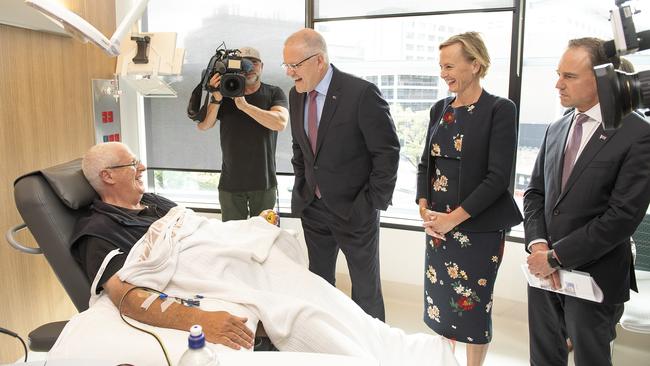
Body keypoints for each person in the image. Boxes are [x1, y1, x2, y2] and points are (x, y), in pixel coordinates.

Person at [69, 142, 459, 366]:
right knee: (299, 313)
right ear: (107, 176)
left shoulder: (151, 201)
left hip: (232, 258)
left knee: (317, 292)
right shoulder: (99, 230)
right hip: (211, 276)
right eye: (132, 164)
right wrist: (201, 319)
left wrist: (249, 229)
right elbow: (126, 294)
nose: (143, 167)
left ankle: (395, 349)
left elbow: (196, 229)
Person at [524, 37, 650, 366]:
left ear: (603, 79)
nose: (557, 84)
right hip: (543, 274)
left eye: (569, 76)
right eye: (558, 73)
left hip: (595, 276)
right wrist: (539, 246)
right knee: (543, 356)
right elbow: (535, 193)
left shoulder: (638, 134)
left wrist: (557, 256)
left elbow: (622, 217)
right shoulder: (557, 127)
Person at [415, 32, 522, 366]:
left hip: (477, 230)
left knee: (473, 307)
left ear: (475, 64)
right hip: (438, 227)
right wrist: (423, 207)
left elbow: (497, 179)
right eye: (441, 66)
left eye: (450, 65)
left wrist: (452, 219)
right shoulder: (439, 109)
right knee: (441, 303)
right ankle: (445, 361)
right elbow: (424, 164)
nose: (443, 73)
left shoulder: (499, 110)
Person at [282, 28, 401, 321]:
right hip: (314, 208)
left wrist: (370, 203)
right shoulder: (295, 95)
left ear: (319, 60)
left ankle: (372, 351)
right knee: (319, 284)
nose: (289, 72)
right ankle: (329, 342)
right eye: (286, 65)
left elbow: (387, 153)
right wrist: (303, 186)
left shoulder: (361, 94)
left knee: (365, 290)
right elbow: (301, 149)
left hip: (355, 210)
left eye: (294, 65)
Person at [197, 46, 289, 222]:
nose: (250, 68)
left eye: (254, 63)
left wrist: (244, 106)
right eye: (244, 64)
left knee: (265, 237)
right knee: (232, 240)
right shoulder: (223, 95)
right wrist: (216, 97)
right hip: (230, 184)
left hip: (264, 183)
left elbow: (280, 123)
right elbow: (204, 125)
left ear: (261, 66)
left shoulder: (273, 92)